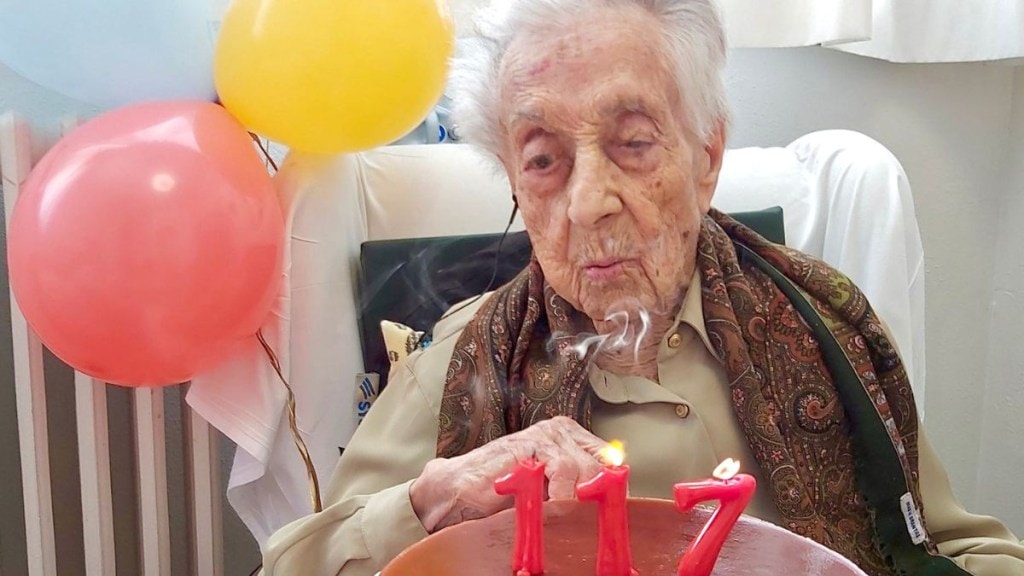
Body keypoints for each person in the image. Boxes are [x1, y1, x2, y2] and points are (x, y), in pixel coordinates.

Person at [262, 1, 1024, 575]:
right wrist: (431, 501)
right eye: (542, 158)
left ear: (706, 157)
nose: (589, 200)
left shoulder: (826, 328)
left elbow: (951, 544)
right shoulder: (466, 360)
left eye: (632, 143)